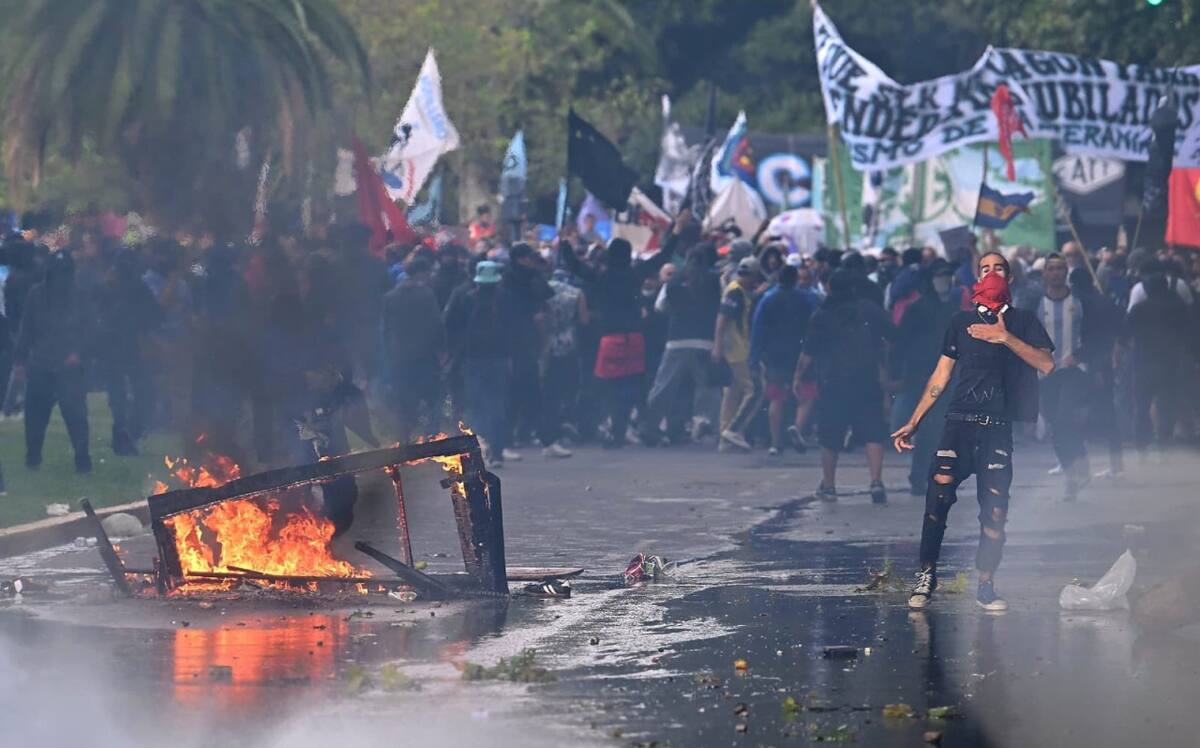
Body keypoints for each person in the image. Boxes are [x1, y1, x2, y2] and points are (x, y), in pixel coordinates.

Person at [893, 251, 1055, 612]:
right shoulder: (961, 321)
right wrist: (915, 420)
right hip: (958, 424)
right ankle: (926, 575)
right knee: (937, 502)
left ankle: (986, 584)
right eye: (985, 268)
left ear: (1009, 278)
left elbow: (1046, 363)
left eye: (999, 268)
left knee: (995, 511)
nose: (992, 273)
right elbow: (941, 374)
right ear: (977, 279)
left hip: (997, 429)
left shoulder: (1024, 321)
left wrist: (1005, 337)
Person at [796, 269, 895, 503]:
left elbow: (808, 352)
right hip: (867, 379)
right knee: (873, 431)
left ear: (829, 288)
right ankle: (876, 481)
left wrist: (798, 377)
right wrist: (884, 365)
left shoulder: (822, 314)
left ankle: (829, 486)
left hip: (833, 382)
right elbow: (892, 335)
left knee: (830, 435)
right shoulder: (869, 309)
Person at [559, 237, 667, 448]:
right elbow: (661, 257)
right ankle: (622, 428)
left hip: (610, 339)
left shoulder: (602, 277)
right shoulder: (636, 275)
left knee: (609, 386)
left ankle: (610, 428)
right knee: (630, 385)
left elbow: (576, 267)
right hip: (634, 338)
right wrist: (676, 233)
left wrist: (565, 246)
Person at [13, 251, 95, 473]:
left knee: (76, 416)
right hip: (40, 364)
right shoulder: (36, 295)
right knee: (35, 417)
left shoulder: (80, 296)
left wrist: (78, 354)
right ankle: (33, 458)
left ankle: (82, 459)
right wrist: (20, 360)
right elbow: (27, 329)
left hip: (70, 368)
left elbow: (90, 331)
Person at [641, 246, 721, 445]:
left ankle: (650, 425)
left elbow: (660, 306)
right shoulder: (714, 280)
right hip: (704, 341)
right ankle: (709, 427)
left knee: (663, 386)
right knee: (708, 388)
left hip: (676, 340)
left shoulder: (673, 281)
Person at [893, 260, 961, 495]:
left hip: (947, 374)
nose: (944, 279)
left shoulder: (952, 307)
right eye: (940, 275)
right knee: (929, 428)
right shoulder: (917, 309)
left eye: (947, 275)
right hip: (921, 375)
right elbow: (902, 342)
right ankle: (921, 475)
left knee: (938, 428)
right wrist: (897, 372)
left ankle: (927, 474)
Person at [444, 261, 514, 467]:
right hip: (499, 358)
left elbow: (449, 323)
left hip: (473, 359)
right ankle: (497, 452)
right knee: (497, 405)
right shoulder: (505, 298)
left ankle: (482, 448)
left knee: (477, 406)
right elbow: (514, 330)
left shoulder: (465, 297)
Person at [1035, 253, 1090, 499]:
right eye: (1051, 269)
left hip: (1072, 371)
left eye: (1060, 268)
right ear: (1045, 273)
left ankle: (1077, 468)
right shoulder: (1036, 303)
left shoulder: (1079, 302)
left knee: (1065, 416)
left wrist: (1079, 356)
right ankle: (1071, 471)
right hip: (1045, 373)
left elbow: (1092, 334)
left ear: (1066, 272)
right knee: (1056, 426)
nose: (1056, 273)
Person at [749, 264, 816, 455]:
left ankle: (775, 442)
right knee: (807, 394)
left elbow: (757, 329)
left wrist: (754, 357)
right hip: (801, 354)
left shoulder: (768, 299)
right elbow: (815, 325)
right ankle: (797, 427)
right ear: (795, 279)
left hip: (775, 356)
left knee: (776, 398)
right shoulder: (807, 298)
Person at [381, 254, 446, 439]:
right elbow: (437, 324)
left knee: (404, 405)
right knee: (433, 399)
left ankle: (405, 442)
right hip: (425, 357)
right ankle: (433, 438)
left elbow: (385, 331)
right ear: (421, 273)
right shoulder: (426, 295)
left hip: (400, 359)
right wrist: (442, 349)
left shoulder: (390, 297)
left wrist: (389, 356)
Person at [1125, 271, 1189, 458]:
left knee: (1141, 407)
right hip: (1169, 364)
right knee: (1166, 406)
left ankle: (1141, 447)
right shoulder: (1178, 307)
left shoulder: (1139, 308)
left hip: (1143, 362)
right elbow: (1188, 331)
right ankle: (1164, 448)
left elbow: (1125, 332)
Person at [1069, 267, 1124, 478]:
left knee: (1076, 413)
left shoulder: (1082, 304)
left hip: (1088, 364)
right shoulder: (1106, 301)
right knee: (1109, 415)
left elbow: (1089, 338)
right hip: (1105, 362)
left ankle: (1078, 461)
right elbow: (1120, 330)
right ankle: (1116, 465)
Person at [500, 243, 553, 455]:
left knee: (531, 394)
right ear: (520, 259)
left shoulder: (530, 278)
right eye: (529, 258)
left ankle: (546, 440)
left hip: (529, 344)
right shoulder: (510, 282)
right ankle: (505, 443)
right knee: (518, 395)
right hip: (515, 345)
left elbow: (546, 294)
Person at [714, 256, 764, 451]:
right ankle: (734, 430)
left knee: (733, 393)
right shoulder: (735, 292)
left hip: (735, 348)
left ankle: (725, 437)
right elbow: (722, 319)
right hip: (738, 349)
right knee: (756, 389)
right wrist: (718, 345)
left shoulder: (738, 290)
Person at [540, 266, 589, 458]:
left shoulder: (543, 290)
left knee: (548, 389)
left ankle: (548, 429)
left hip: (547, 342)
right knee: (567, 386)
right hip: (568, 342)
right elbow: (584, 320)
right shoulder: (577, 293)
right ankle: (563, 422)